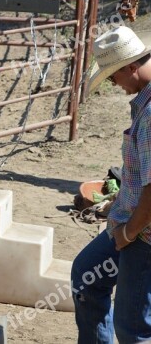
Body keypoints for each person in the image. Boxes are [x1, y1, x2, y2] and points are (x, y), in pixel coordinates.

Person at [72, 26, 151, 343]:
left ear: (131, 67)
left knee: (133, 327)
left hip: (141, 234)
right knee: (87, 277)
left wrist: (128, 233)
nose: (114, 84)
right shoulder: (145, 104)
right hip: (131, 225)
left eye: (113, 76)